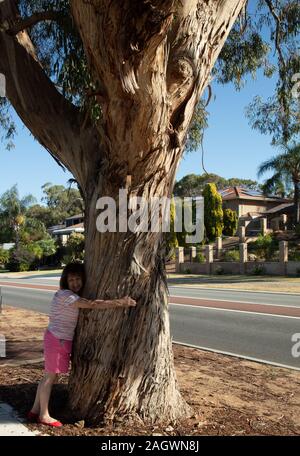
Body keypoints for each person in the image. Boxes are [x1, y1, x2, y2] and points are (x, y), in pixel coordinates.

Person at [27, 262, 136, 427]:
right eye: (71, 280)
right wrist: (121, 302)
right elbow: (92, 304)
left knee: (50, 376)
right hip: (57, 339)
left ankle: (34, 410)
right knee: (50, 377)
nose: (75, 283)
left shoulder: (69, 295)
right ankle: (44, 415)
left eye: (78, 279)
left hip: (58, 339)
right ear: (66, 281)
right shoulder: (66, 296)